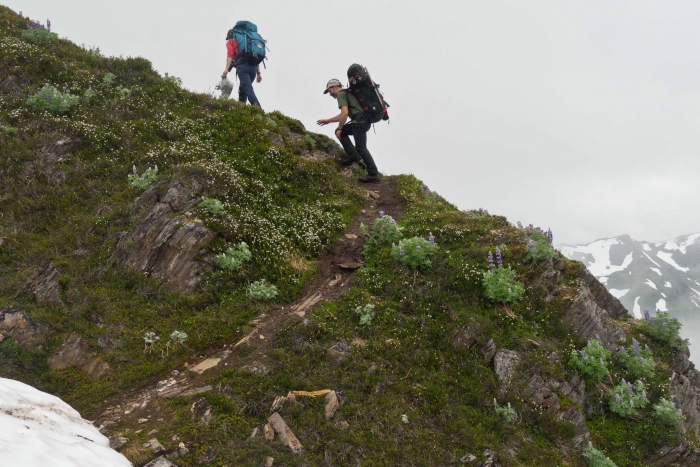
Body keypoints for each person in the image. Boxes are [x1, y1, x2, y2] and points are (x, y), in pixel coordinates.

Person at [317, 79, 380, 183]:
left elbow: (345, 113)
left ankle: (373, 174)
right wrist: (328, 121)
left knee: (361, 148)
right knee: (344, 133)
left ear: (334, 87)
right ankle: (353, 155)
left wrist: (339, 128)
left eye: (329, 91)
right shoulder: (348, 92)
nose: (330, 94)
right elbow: (343, 114)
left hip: (358, 123)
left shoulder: (341, 94)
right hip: (362, 121)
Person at [222, 30, 262, 107]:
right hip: (253, 69)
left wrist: (226, 69)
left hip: (242, 68)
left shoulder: (230, 42)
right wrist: (258, 73)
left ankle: (259, 110)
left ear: (230, 36)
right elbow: (255, 56)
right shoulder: (248, 42)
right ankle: (241, 108)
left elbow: (230, 55)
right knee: (243, 90)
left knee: (248, 89)